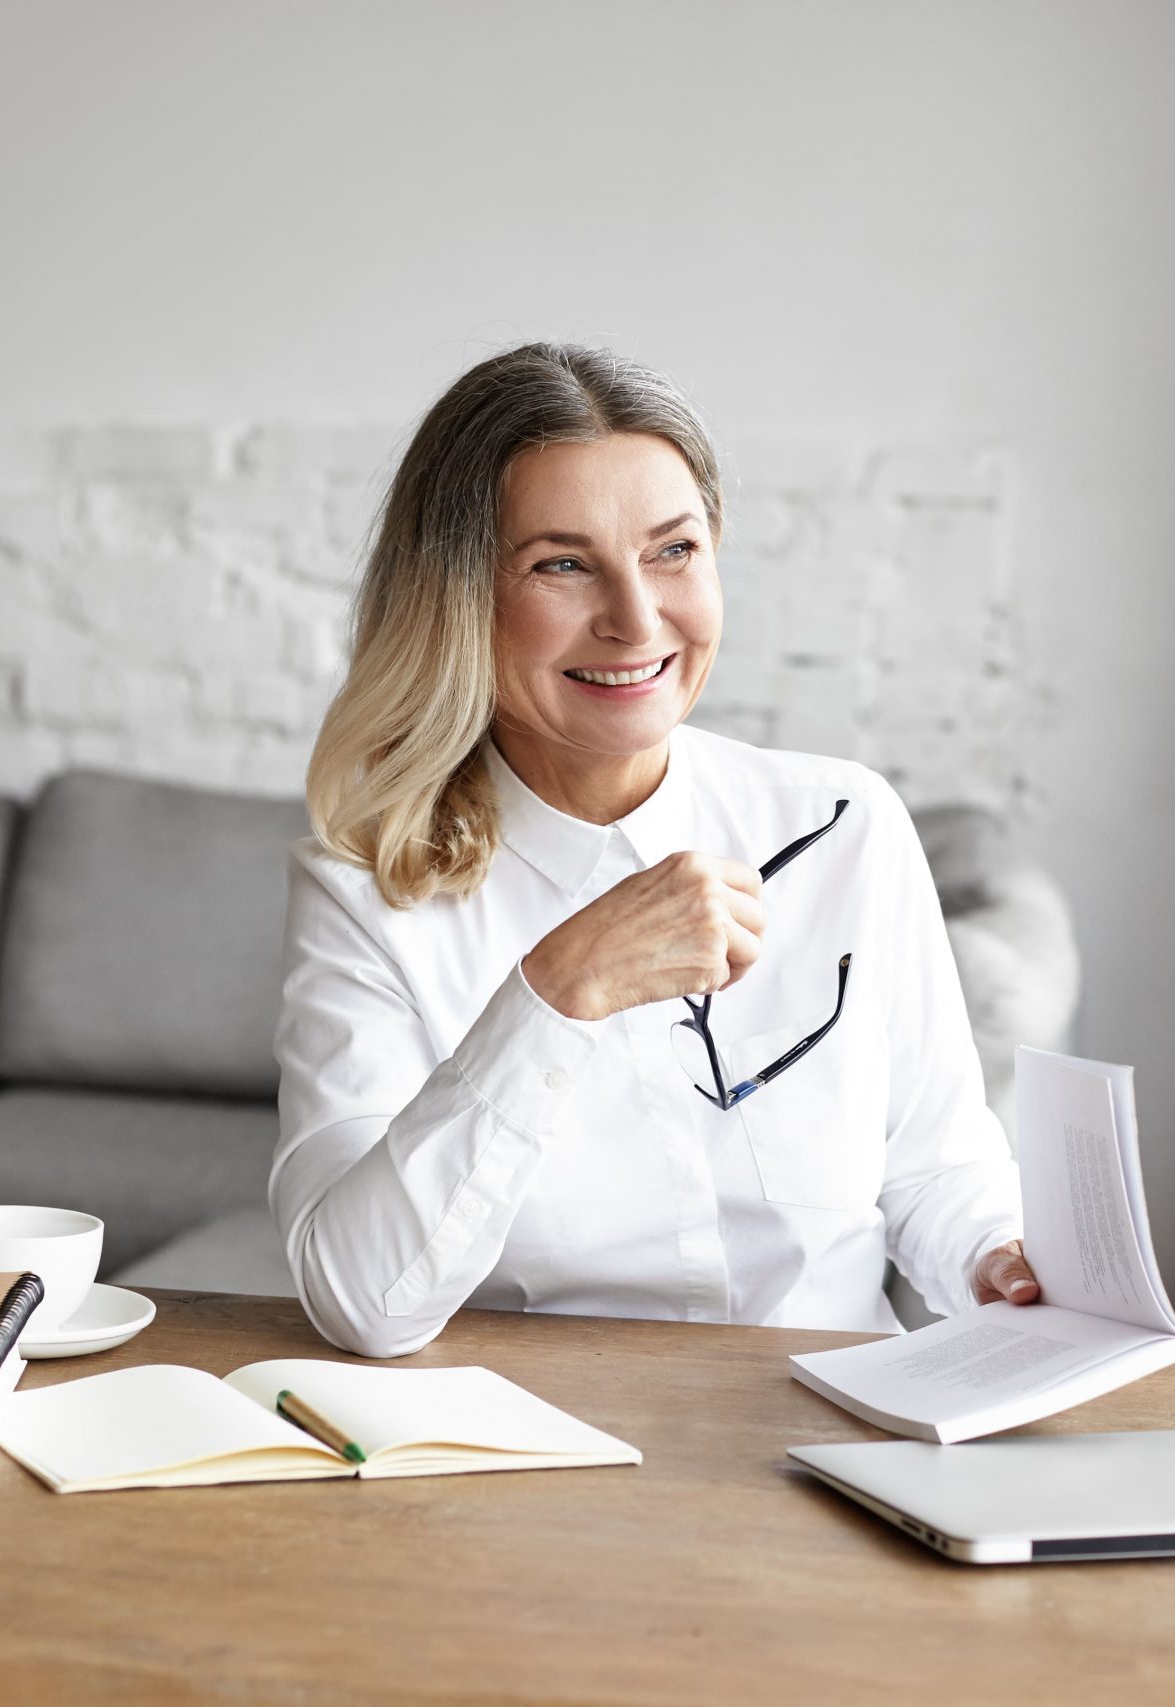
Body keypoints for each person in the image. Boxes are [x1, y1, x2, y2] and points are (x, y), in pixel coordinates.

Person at [272, 343, 1039, 1358]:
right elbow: (362, 1302)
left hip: (836, 1432)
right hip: (547, 1455)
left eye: (672, 551)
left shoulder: (847, 825)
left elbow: (937, 1170)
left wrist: (1000, 1262)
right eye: (561, 564)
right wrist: (556, 992)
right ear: (457, 597)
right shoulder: (368, 889)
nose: (636, 621)